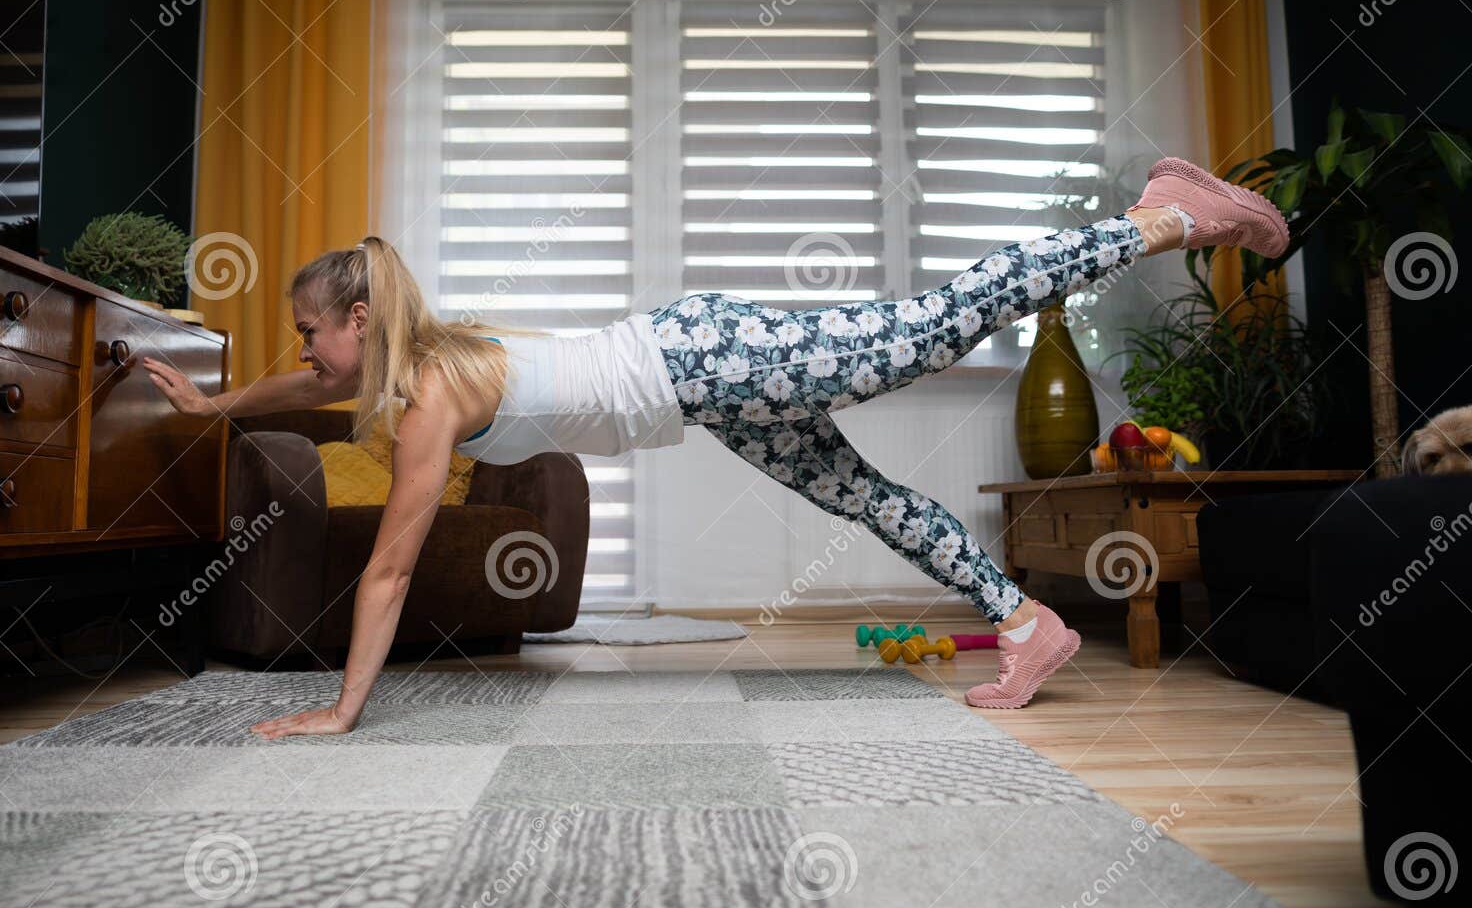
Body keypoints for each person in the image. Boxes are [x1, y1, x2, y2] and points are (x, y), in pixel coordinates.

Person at [143, 155, 1287, 738]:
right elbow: (302, 380)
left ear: (358, 321)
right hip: (709, 386)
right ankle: (1027, 621)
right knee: (860, 494)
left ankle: (1167, 216)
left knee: (934, 324)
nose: (307, 351)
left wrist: (344, 709)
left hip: (714, 355)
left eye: (313, 328)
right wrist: (209, 408)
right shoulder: (406, 357)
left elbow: (388, 566)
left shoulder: (431, 395)